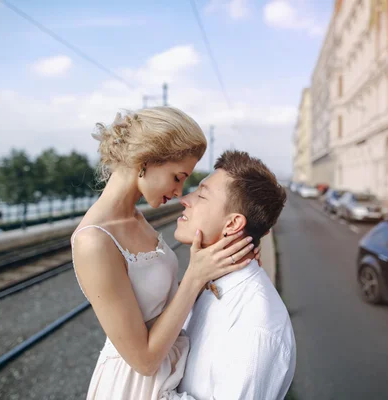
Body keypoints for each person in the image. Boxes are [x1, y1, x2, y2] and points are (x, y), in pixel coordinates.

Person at [70, 107, 257, 400]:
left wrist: (221, 263)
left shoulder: (137, 218)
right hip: (132, 387)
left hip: (169, 373)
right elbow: (143, 361)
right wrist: (195, 275)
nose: (180, 191)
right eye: (177, 176)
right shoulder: (93, 241)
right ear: (145, 162)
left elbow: (161, 303)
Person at [168, 150, 296, 400]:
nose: (185, 199)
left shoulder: (256, 327)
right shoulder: (205, 283)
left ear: (232, 225)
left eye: (201, 195)